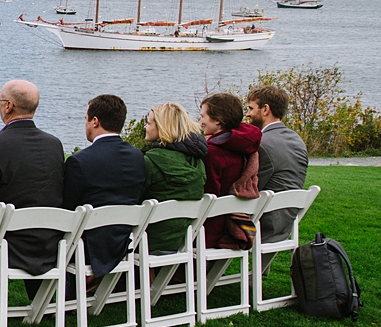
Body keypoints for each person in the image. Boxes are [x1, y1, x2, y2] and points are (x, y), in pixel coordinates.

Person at [0, 80, 64, 289]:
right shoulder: (54, 144)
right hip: (51, 243)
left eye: (0, 100)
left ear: (9, 106)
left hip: (8, 247)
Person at [62, 94, 145, 280]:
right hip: (123, 239)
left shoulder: (80, 161)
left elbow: (68, 206)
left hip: (89, 245)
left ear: (95, 121)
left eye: (86, 119)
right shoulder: (137, 156)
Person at [139, 102, 207, 253]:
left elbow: (135, 200)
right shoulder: (197, 163)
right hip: (181, 239)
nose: (145, 127)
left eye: (149, 123)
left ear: (162, 128)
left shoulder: (151, 162)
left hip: (148, 240)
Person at [246, 85, 309, 243]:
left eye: (251, 108)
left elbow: (251, 189)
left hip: (263, 224)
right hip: (286, 222)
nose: (247, 114)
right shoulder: (297, 140)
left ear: (265, 109)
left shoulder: (262, 144)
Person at [199, 91, 262, 247]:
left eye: (203, 117)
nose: (200, 122)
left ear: (218, 121)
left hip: (210, 231)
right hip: (230, 222)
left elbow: (208, 194)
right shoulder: (242, 147)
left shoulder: (213, 153)